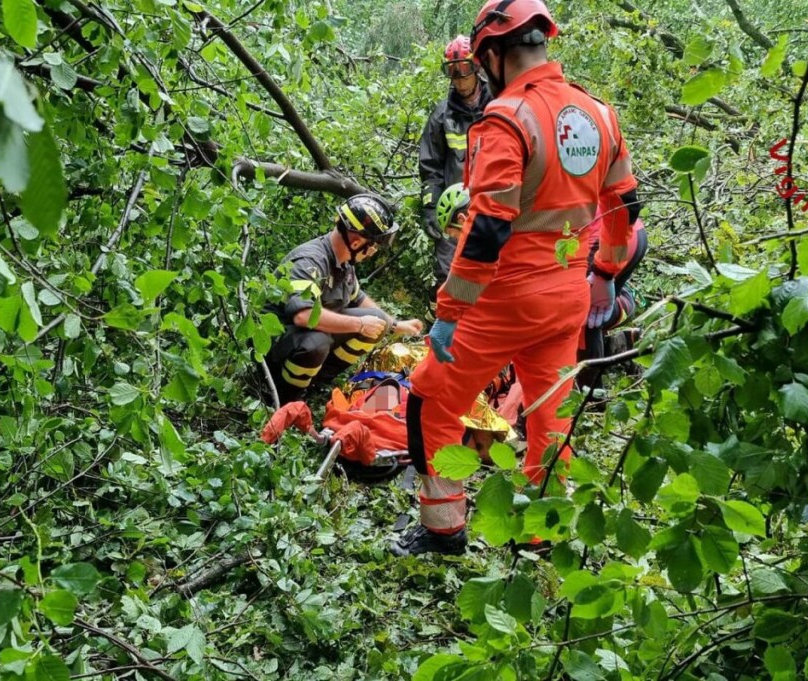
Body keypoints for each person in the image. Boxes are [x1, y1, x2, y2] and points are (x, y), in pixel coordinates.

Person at [392, 0, 640, 557]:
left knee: (430, 399)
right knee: (549, 419)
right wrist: (605, 274)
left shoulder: (506, 118)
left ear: (493, 54)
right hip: (569, 296)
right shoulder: (599, 113)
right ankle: (541, 536)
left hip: (503, 303)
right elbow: (625, 205)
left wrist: (448, 314)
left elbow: (485, 231)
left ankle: (443, 530)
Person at [265, 194, 424, 406]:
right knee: (317, 343)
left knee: (377, 321)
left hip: (305, 335)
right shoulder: (311, 261)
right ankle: (284, 400)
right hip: (276, 342)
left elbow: (357, 298)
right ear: (357, 241)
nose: (373, 251)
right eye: (374, 245)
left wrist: (395, 325)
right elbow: (303, 316)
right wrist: (359, 324)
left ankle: (315, 384)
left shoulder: (343, 263)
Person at [419, 36, 492, 317]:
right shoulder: (442, 115)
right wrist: (429, 207)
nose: (459, 81)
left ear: (477, 68)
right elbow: (430, 166)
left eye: (463, 72)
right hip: (454, 211)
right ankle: (448, 327)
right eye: (452, 73)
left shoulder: (498, 103)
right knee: (448, 270)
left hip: (495, 204)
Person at [577, 208, 648, 390]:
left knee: (582, 318)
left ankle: (590, 403)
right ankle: (624, 308)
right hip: (626, 229)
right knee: (589, 315)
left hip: (606, 236)